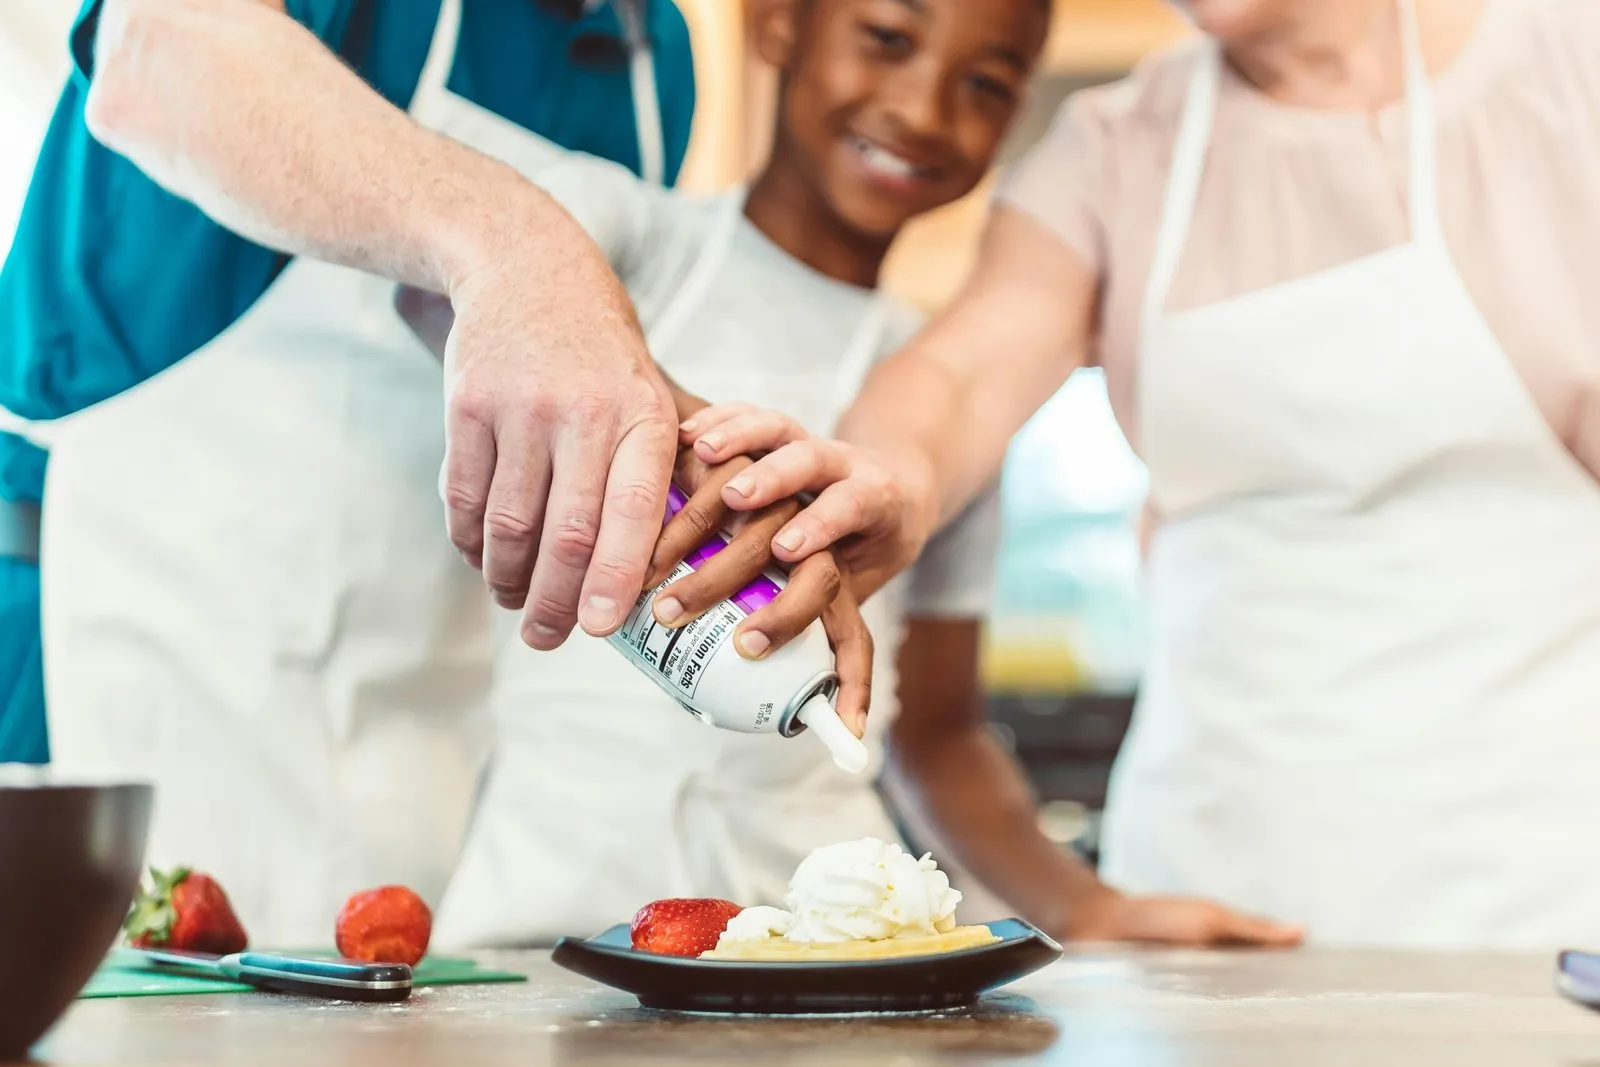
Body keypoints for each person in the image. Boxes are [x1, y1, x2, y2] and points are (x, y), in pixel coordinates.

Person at [678, 0, 1600, 949]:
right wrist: (885, 477)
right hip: (1215, 892)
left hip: (1557, 871)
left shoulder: (1572, 68)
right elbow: (956, 374)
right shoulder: (1114, 151)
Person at [401, 0, 1298, 950]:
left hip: (823, 941)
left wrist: (1089, 906)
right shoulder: (621, 242)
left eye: (986, 84)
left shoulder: (942, 395)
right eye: (886, 39)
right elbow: (436, 288)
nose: (924, 108)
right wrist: (676, 440)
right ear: (777, 25)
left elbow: (940, 738)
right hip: (545, 920)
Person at [0, 0, 708, 936]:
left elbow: (479, 333)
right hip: (112, 676)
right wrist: (515, 242)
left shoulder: (655, 58)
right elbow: (153, 46)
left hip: (421, 730)